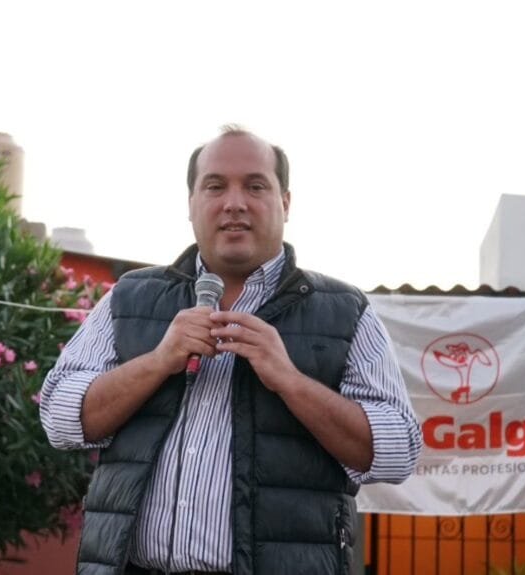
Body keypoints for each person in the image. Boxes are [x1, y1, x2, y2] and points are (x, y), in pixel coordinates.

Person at [40, 127, 422, 575]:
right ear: (191, 203)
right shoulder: (129, 298)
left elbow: (398, 452)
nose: (234, 203)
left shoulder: (344, 310)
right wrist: (157, 362)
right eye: (215, 186)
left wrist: (290, 381)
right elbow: (59, 419)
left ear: (285, 203)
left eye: (255, 186)